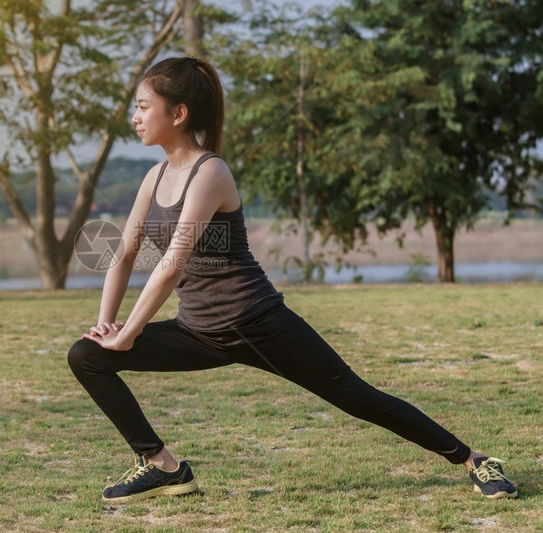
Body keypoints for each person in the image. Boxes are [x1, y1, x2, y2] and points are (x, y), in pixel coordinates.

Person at [67, 56, 518, 504]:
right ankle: (162, 466)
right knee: (88, 356)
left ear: (178, 113)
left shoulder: (210, 173)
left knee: (358, 398)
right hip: (198, 332)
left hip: (259, 324)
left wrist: (131, 332)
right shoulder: (154, 176)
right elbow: (125, 253)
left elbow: (172, 264)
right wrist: (108, 325)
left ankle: (473, 460)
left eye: (144, 106)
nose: (135, 116)